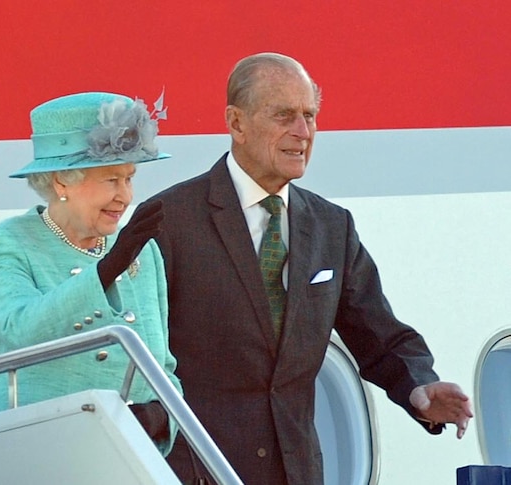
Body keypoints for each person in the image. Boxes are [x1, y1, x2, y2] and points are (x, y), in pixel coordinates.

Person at [150, 52, 474, 484]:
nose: (302, 133)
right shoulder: (168, 220)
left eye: (310, 116)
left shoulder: (331, 227)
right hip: (198, 472)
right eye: (284, 115)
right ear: (236, 123)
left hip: (297, 472)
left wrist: (419, 387)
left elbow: (379, 333)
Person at [0, 91, 182, 453]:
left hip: (122, 454)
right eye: (111, 180)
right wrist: (105, 271)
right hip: (34, 455)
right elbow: (20, 329)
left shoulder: (142, 252)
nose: (126, 196)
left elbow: (163, 368)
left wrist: (162, 418)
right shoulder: (3, 242)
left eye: (129, 178)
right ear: (62, 182)